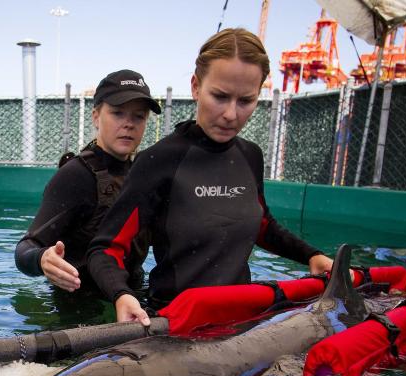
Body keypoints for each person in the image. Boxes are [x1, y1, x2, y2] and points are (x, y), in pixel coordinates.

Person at [87, 28, 333, 325]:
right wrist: (122, 294)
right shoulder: (159, 160)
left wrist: (312, 255)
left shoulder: (250, 155)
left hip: (243, 318)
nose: (231, 114)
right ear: (195, 86)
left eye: (245, 101)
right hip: (175, 323)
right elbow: (105, 249)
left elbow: (263, 226)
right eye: (219, 96)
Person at [14, 69, 159, 293]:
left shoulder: (144, 175)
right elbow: (26, 248)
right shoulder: (76, 176)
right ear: (96, 117)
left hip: (135, 296)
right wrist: (42, 259)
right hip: (79, 309)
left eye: (138, 116)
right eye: (118, 113)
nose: (129, 123)